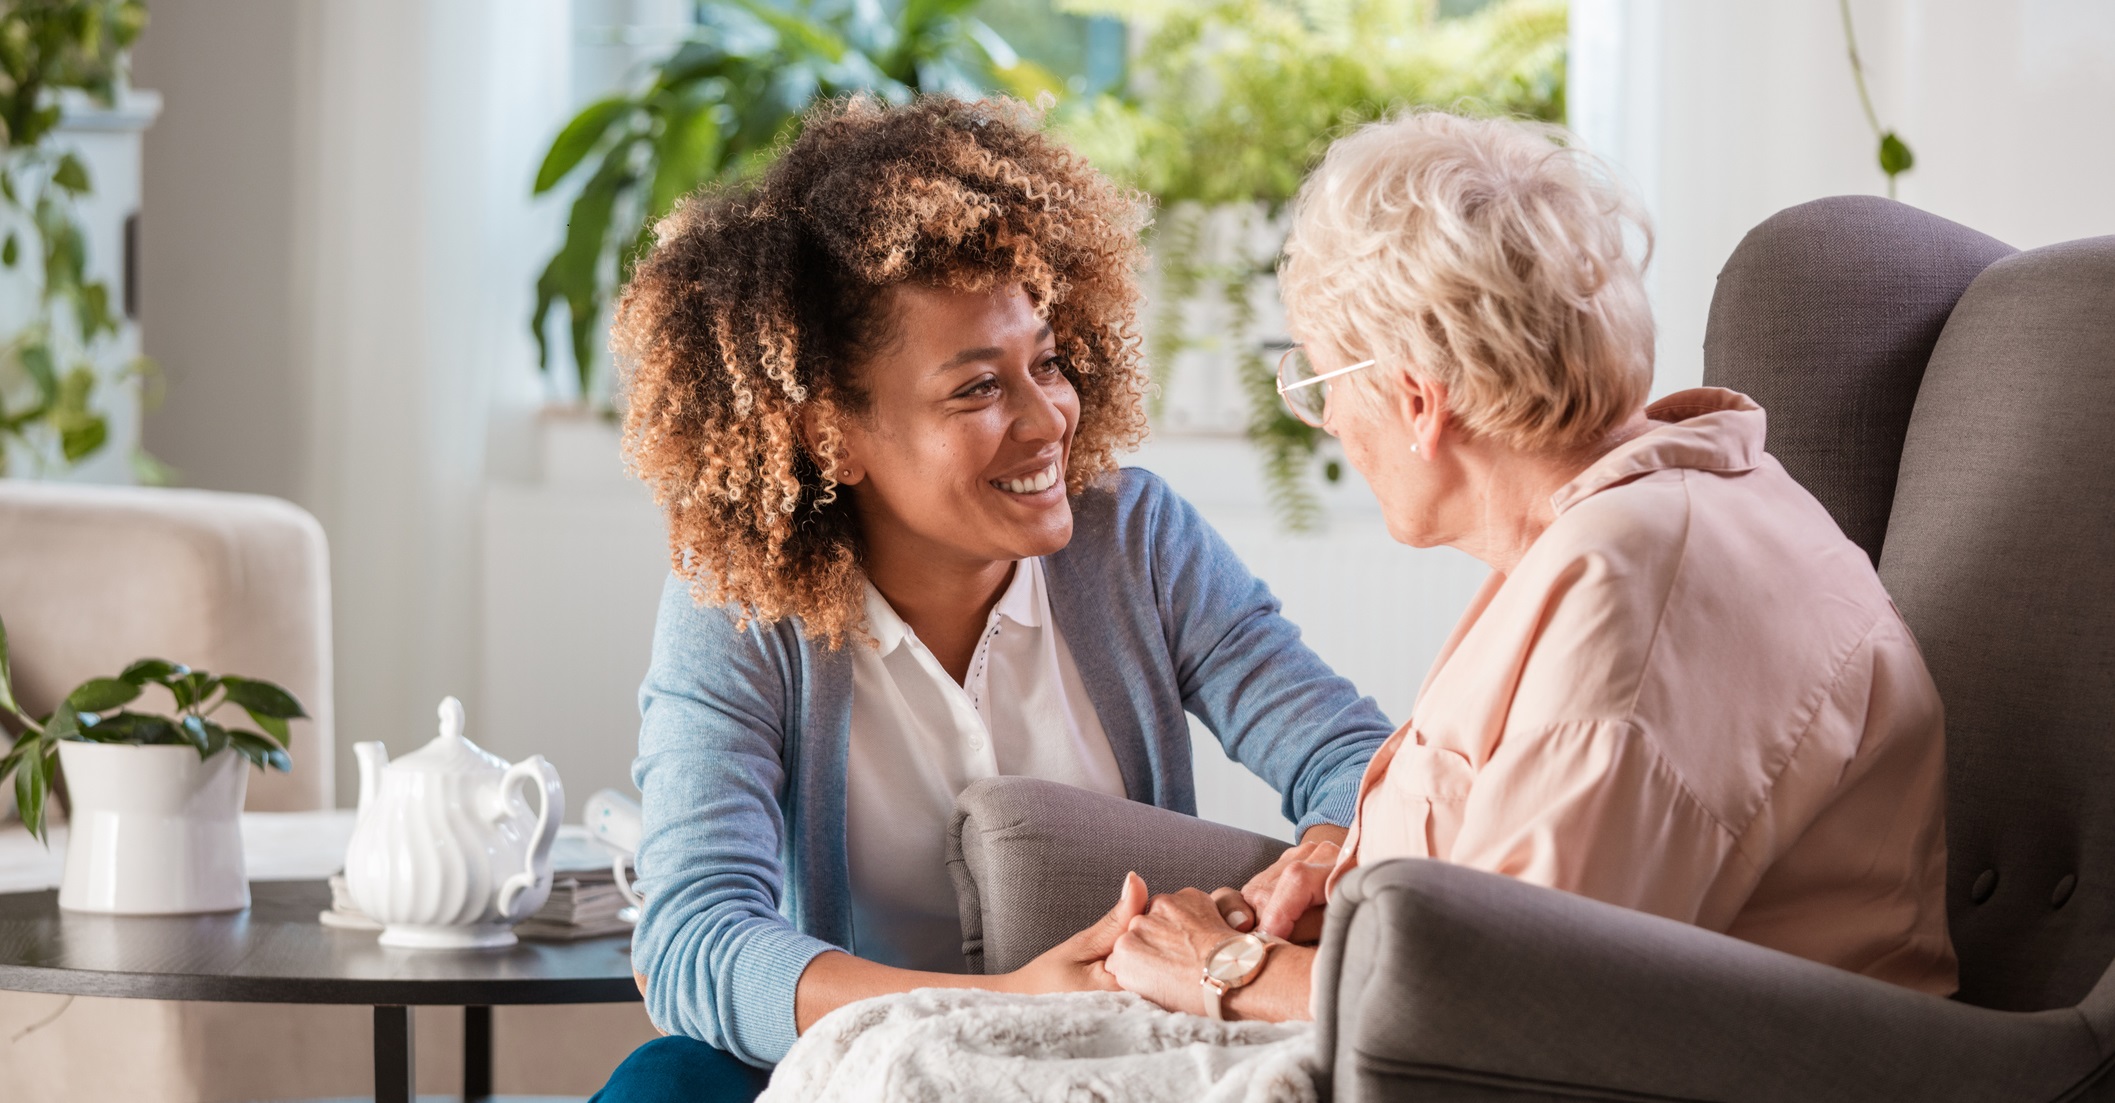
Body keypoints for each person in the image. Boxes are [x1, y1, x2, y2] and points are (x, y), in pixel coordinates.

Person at [590, 95, 1395, 1100]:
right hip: (861, 1065)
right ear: (830, 431)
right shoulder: (741, 604)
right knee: (664, 1079)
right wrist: (996, 1001)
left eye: (1047, 363)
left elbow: (1354, 758)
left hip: (1105, 1060)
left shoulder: (1135, 540)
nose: (1049, 416)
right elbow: (695, 937)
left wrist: (1317, 860)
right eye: (977, 388)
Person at [1103, 109, 1956, 1022]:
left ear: (1416, 398)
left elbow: (1516, 1007)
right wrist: (1354, 878)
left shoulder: (1634, 587)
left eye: (1317, 385)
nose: (1333, 425)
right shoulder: (1626, 523)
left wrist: (1227, 967)